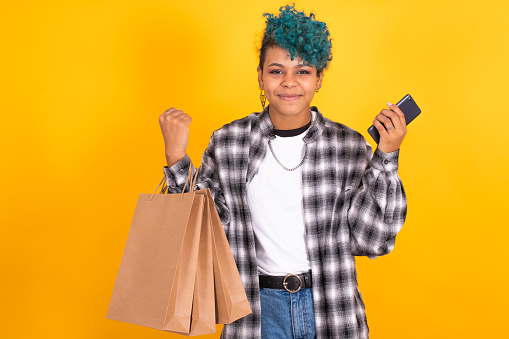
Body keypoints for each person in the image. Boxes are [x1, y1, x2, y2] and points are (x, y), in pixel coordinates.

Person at [159, 4, 407, 339]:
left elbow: (373, 240)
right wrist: (176, 159)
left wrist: (386, 157)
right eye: (277, 71)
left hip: (331, 312)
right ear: (261, 75)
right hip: (257, 314)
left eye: (302, 72)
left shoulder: (348, 146)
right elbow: (200, 241)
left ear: (319, 78)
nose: (289, 83)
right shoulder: (229, 143)